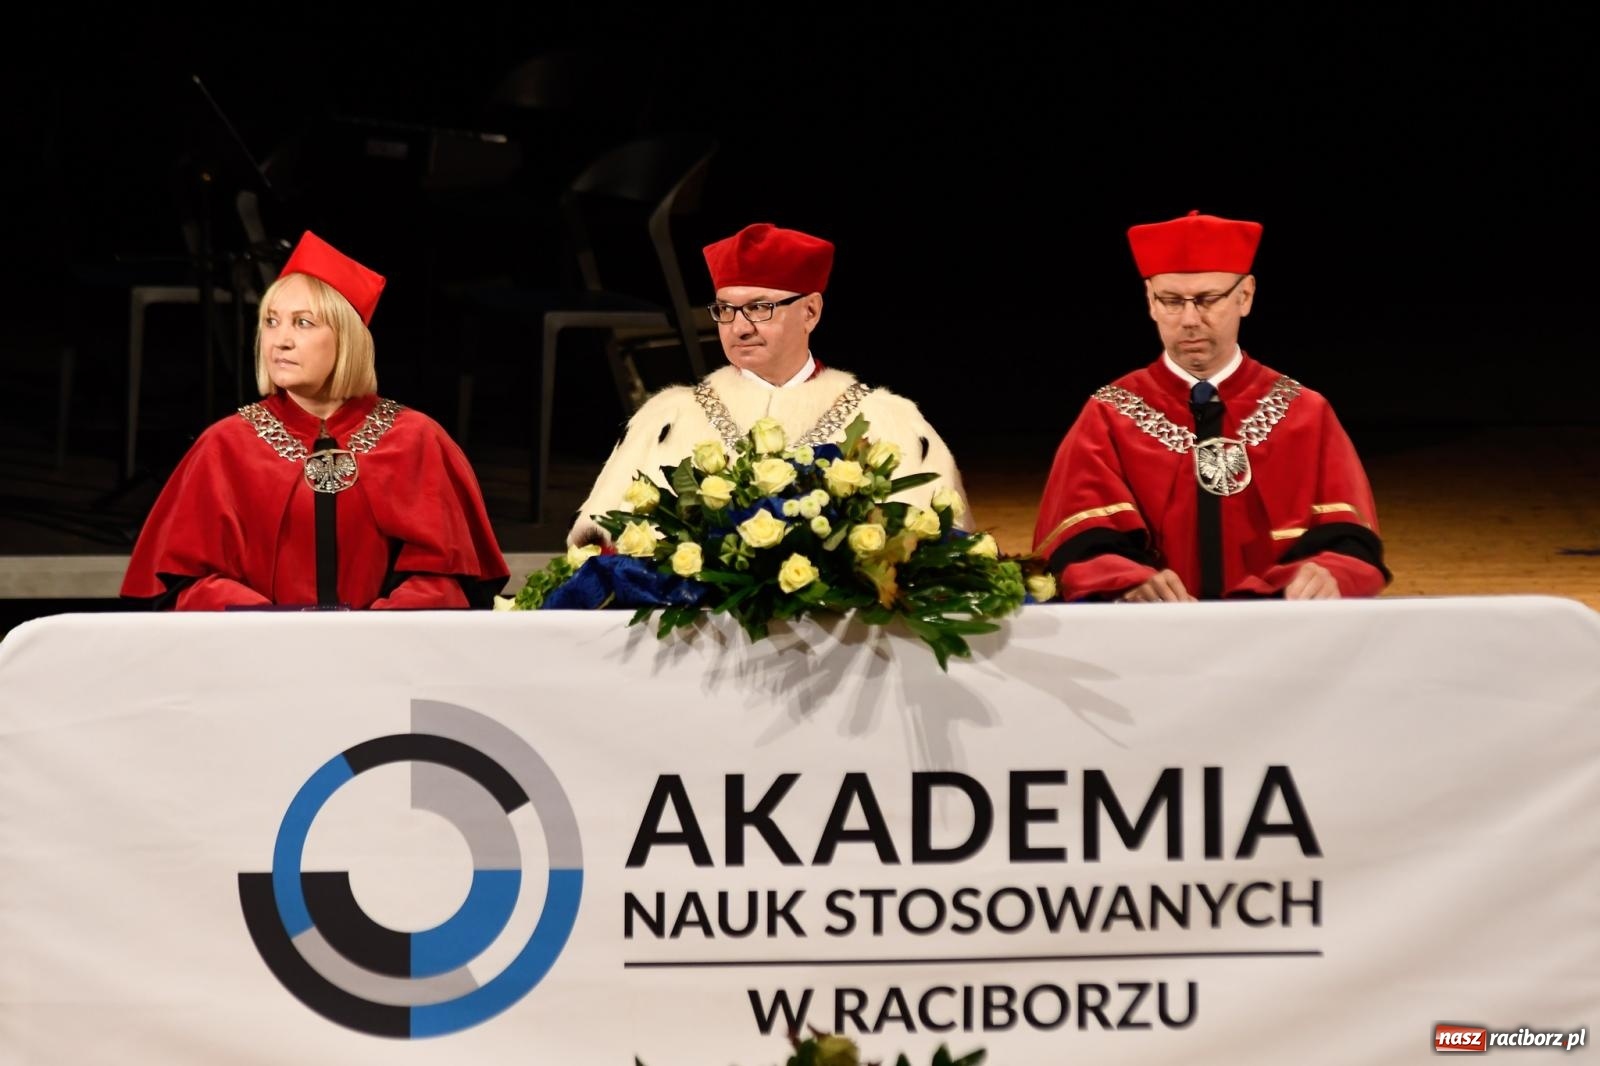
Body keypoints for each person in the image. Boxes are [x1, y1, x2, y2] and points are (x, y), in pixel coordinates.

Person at [121, 231, 509, 610]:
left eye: (303, 323)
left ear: (347, 338)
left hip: (382, 660)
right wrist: (276, 627)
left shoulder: (415, 439)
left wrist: (374, 633)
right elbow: (184, 583)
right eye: (272, 321)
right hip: (260, 658)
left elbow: (447, 580)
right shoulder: (226, 445)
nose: (281, 340)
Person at [1032, 210, 1388, 602]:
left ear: (1246, 296)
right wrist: (1125, 581)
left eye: (1207, 300)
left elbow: (1350, 541)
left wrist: (1329, 574)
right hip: (1154, 640)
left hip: (1280, 636)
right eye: (1170, 301)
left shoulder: (1305, 413)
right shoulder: (1110, 414)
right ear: (1149, 301)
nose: (1189, 320)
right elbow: (1076, 544)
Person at [568, 222, 971, 546]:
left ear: (810, 311)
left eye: (759, 308)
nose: (739, 327)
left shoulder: (888, 421)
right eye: (725, 310)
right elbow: (598, 545)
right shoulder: (668, 418)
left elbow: (944, 549)